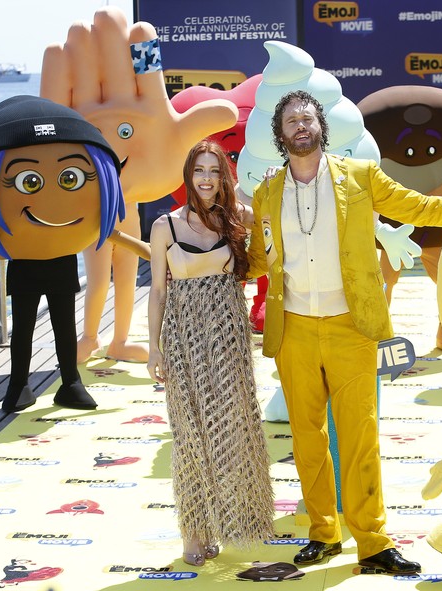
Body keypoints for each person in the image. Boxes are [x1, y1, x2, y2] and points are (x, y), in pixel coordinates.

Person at [246, 90, 442, 575]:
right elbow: (258, 259)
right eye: (291, 120)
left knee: (359, 437)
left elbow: (419, 207)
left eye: (307, 118)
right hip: (295, 332)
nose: (300, 126)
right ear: (280, 133)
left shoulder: (361, 177)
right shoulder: (268, 192)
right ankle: (323, 532)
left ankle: (372, 540)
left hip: (353, 327)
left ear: (320, 127)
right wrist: (191, 252)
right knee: (307, 439)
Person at [0, 96, 146, 413]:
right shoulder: (11, 229)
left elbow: (120, 238)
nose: (52, 201)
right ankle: (19, 385)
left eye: (70, 178)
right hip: (25, 269)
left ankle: (70, 383)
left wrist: (163, 253)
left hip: (61, 267)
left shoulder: (86, 226)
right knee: (24, 333)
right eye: (29, 181)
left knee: (64, 329)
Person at [146, 141, 274, 567]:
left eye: (213, 171)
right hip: (183, 340)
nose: (205, 178)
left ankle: (240, 523)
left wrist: (271, 184)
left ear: (223, 177)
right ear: (188, 175)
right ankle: (193, 531)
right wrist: (154, 349)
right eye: (199, 170)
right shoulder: (165, 225)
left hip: (227, 338)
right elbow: (158, 293)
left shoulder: (236, 218)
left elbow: (273, 220)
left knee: (234, 431)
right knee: (189, 436)